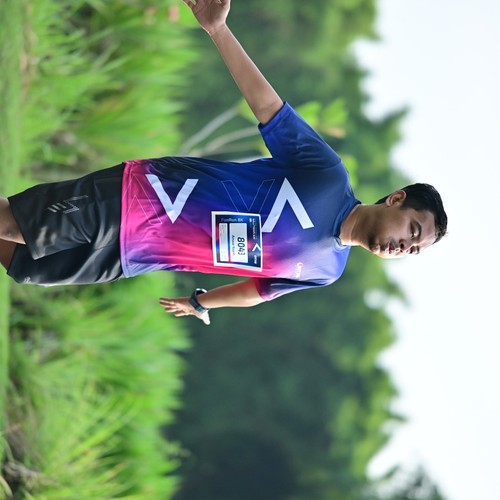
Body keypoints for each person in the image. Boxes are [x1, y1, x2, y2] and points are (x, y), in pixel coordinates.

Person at [0, 0, 447, 325]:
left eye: (413, 250)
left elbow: (258, 290)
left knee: (25, 264)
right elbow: (268, 108)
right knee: (16, 225)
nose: (403, 247)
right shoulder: (327, 175)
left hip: (138, 255)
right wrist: (218, 30)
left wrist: (201, 303)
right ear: (396, 199)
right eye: (412, 231)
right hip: (142, 199)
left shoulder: (326, 271)